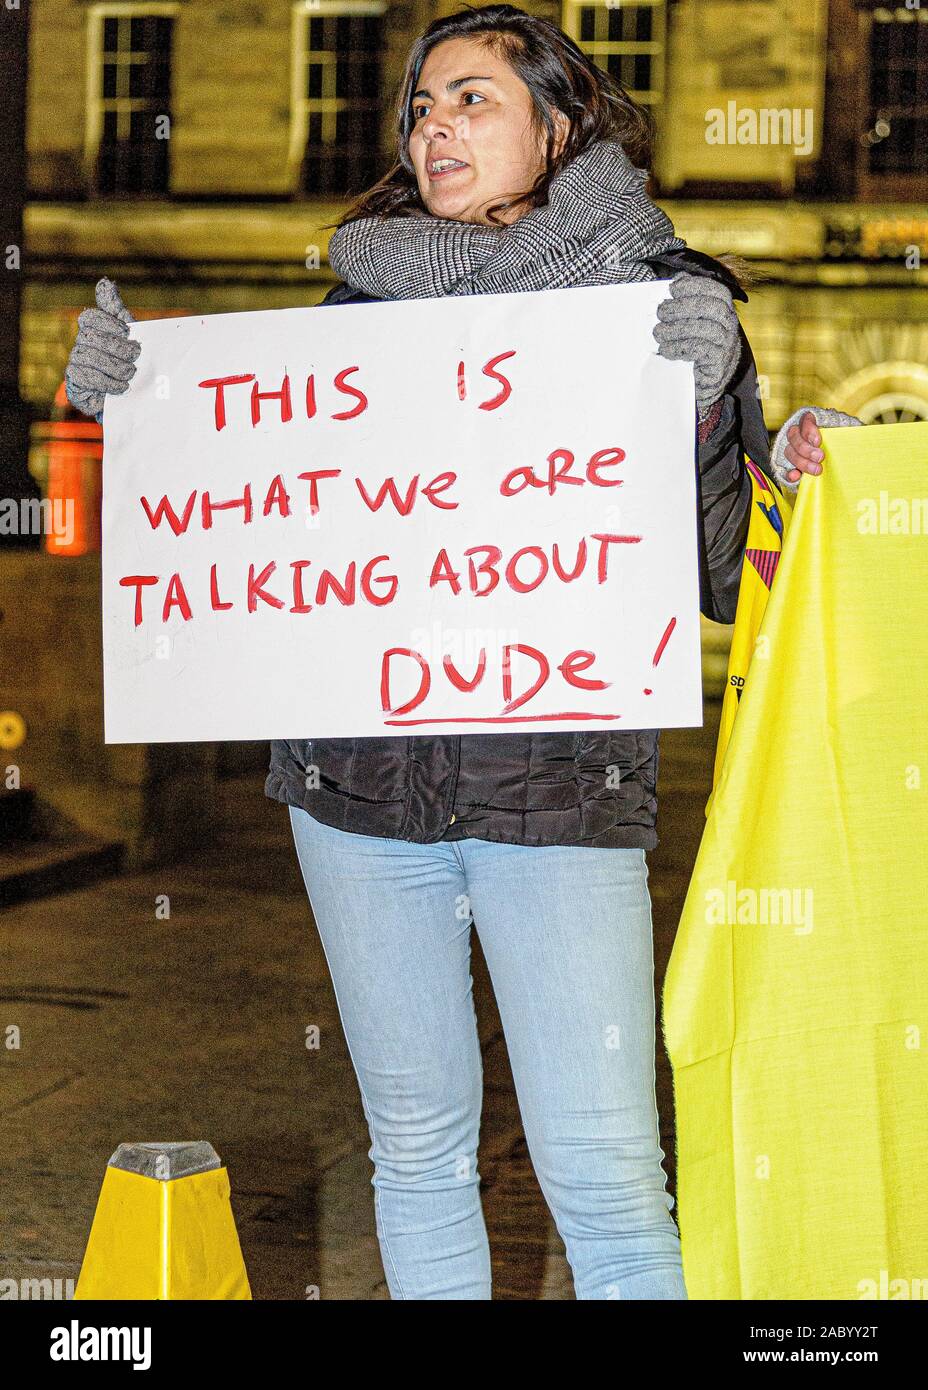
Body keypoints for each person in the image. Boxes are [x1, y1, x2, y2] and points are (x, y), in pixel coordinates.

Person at [65, 4, 861, 1300]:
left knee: (604, 1168)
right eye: (421, 107)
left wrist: (725, 412)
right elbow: (245, 522)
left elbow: (727, 574)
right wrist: (130, 401)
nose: (435, 125)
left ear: (558, 120)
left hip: (555, 792)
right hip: (355, 795)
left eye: (472, 99)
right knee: (418, 1147)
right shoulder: (351, 312)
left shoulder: (663, 302)